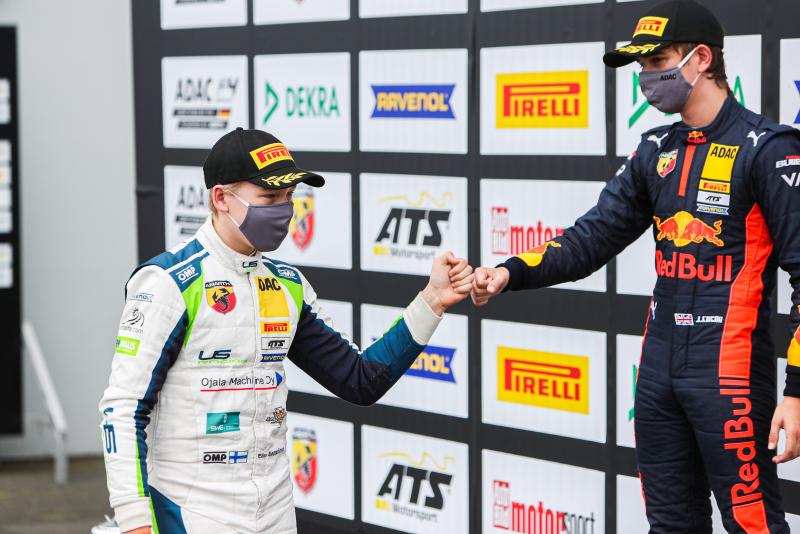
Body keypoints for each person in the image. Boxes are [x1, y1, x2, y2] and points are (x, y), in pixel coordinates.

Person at [472, 1, 800, 532]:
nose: (647, 78)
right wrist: (510, 272)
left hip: (730, 374)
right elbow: (591, 238)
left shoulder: (768, 148)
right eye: (641, 66)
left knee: (753, 524)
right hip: (658, 372)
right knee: (669, 524)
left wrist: (797, 390)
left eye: (657, 62)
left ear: (701, 59)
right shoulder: (654, 151)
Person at [99, 128, 474, 534]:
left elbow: (360, 379)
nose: (284, 210)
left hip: (275, 512)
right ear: (221, 198)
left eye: (289, 197)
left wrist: (432, 301)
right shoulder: (169, 282)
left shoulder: (287, 285)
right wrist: (134, 520)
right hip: (192, 510)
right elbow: (124, 408)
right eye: (269, 197)